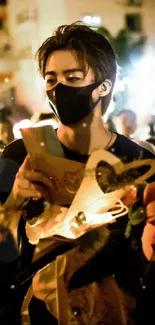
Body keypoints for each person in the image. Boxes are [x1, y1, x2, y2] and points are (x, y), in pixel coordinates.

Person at [0, 22, 154, 325]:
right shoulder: (19, 156)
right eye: (50, 79)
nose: (59, 89)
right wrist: (14, 201)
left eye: (72, 77)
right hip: (38, 314)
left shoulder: (138, 161)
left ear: (104, 87)